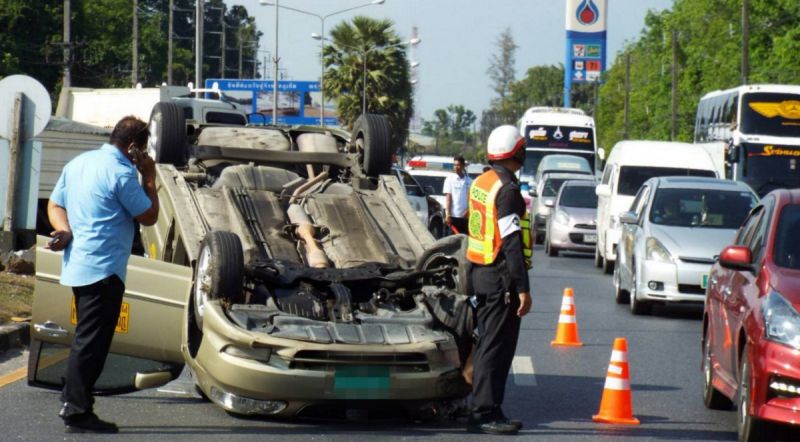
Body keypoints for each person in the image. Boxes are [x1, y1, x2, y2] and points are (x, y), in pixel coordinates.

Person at [46, 116, 159, 433]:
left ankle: (72, 396)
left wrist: (64, 230)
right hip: (104, 268)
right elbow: (149, 215)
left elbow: (55, 204)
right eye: (142, 150)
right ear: (134, 147)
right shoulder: (122, 173)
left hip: (78, 265)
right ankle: (77, 410)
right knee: (92, 342)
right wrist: (148, 176)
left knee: (86, 338)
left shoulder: (80, 162)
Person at [465, 125, 533, 434]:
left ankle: (490, 406)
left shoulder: (482, 180)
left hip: (479, 271)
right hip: (499, 276)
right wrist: (523, 288)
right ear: (517, 152)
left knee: (488, 343)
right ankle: (483, 412)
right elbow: (511, 242)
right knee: (496, 346)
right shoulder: (507, 190)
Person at [443, 155, 472, 234]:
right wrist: (448, 214)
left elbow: (472, 198)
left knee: (464, 241)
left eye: (458, 165)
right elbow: (448, 197)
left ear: (463, 166)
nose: (456, 167)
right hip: (453, 216)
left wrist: (468, 210)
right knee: (452, 241)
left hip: (465, 217)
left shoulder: (469, 181)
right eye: (454, 165)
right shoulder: (449, 179)